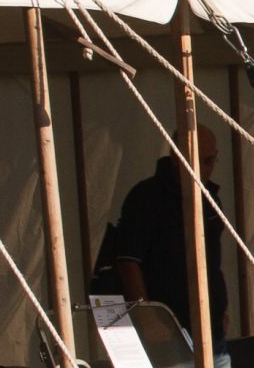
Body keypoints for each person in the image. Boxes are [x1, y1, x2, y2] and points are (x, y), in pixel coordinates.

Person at [92, 125, 230, 334]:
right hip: (168, 326)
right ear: (176, 157)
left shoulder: (210, 198)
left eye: (211, 160)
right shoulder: (147, 197)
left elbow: (213, 261)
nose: (206, 168)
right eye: (199, 160)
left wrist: (221, 310)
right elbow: (128, 260)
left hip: (210, 327)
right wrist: (147, 317)